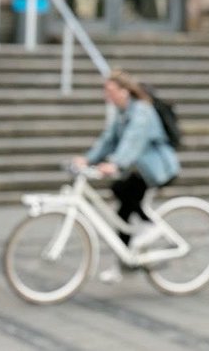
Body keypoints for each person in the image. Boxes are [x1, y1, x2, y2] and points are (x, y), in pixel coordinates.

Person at [73, 69, 180, 279]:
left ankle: (152, 227)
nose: (107, 95)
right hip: (139, 169)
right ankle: (124, 262)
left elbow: (134, 141)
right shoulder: (121, 112)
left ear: (124, 91)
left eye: (110, 90)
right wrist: (88, 159)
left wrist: (115, 163)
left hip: (157, 169)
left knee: (130, 198)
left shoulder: (142, 111)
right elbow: (108, 139)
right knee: (121, 206)